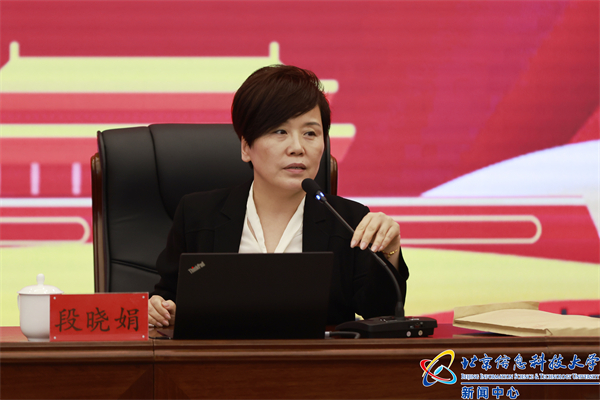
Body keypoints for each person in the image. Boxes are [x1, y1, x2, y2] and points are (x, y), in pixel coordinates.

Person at [148, 65, 409, 328]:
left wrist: (390, 253)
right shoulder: (198, 215)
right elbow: (166, 298)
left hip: (319, 356)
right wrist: (157, 309)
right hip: (221, 355)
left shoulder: (350, 221)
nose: (297, 148)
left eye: (310, 133)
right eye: (279, 131)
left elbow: (382, 315)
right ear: (246, 147)